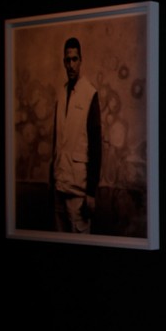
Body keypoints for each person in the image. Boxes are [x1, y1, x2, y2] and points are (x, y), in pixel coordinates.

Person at [51, 36, 102, 233]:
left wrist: (91, 193)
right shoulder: (61, 93)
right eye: (67, 60)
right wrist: (52, 182)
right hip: (59, 187)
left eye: (75, 59)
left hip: (78, 193)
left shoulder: (90, 94)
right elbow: (57, 141)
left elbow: (96, 146)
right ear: (63, 62)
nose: (71, 65)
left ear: (81, 60)